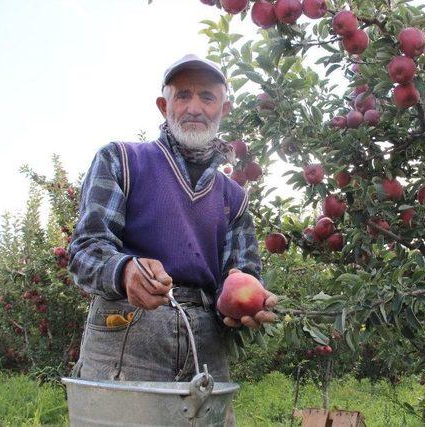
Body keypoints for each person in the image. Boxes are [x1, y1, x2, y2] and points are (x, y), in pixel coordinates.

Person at [68, 54, 277, 425]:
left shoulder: (235, 197)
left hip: (206, 345)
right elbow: (85, 250)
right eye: (183, 95)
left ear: (223, 108)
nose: (194, 107)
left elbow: (242, 273)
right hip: (128, 332)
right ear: (165, 106)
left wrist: (243, 305)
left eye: (207, 97)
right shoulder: (120, 160)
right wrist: (124, 270)